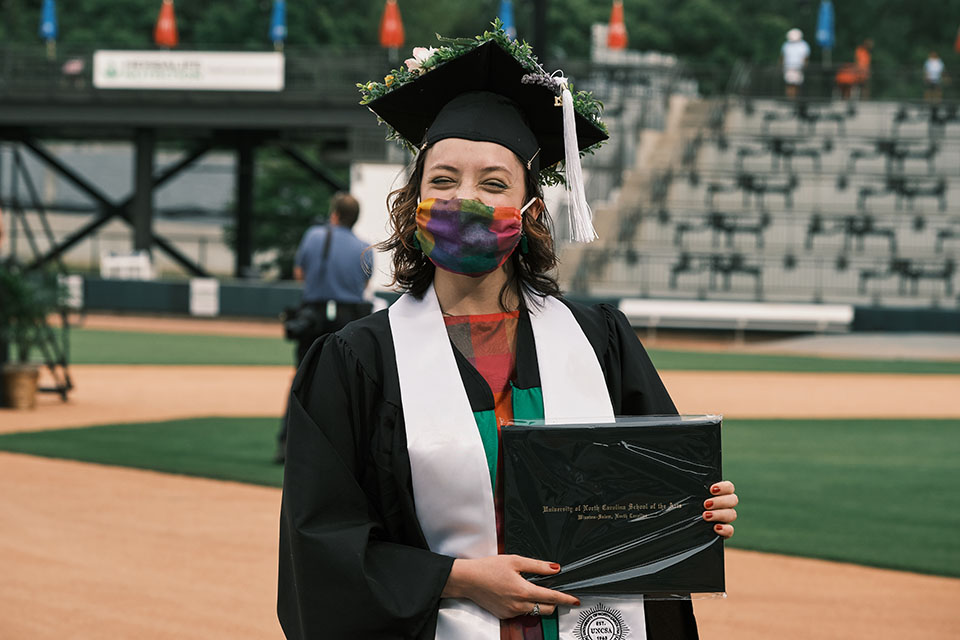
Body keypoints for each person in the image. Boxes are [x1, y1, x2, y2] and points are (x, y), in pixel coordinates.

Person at [278, 28, 739, 640]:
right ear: (413, 198)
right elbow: (323, 549)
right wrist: (460, 578)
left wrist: (700, 506)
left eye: (494, 184)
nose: (463, 199)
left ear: (530, 211)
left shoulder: (599, 341)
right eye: (442, 181)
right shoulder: (355, 362)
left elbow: (654, 498)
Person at [273, 192, 373, 463]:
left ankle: (286, 445)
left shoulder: (315, 236)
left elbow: (299, 273)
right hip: (348, 319)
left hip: (314, 314)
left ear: (335, 214)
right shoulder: (364, 247)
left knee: (302, 378)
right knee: (346, 386)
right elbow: (364, 286)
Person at [780, 28, 810, 99]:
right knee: (790, 84)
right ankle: (790, 98)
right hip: (789, 67)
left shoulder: (803, 45)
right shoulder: (786, 45)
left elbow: (805, 58)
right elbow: (783, 57)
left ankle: (794, 99)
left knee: (796, 85)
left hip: (798, 68)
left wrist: (804, 66)